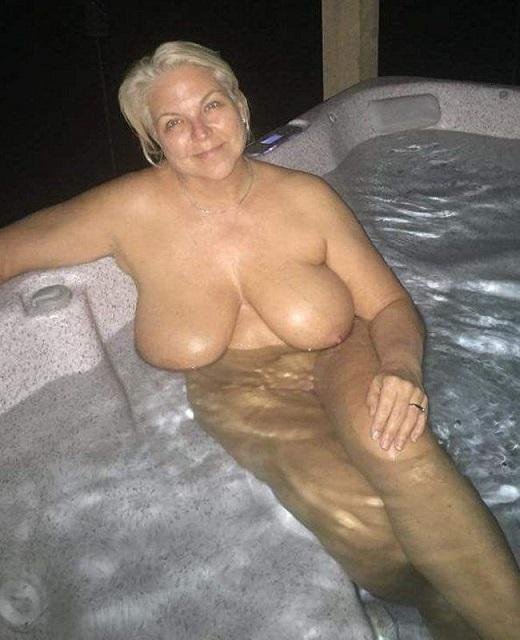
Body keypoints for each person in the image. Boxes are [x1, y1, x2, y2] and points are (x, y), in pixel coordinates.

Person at [1, 41, 519, 640]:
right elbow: (11, 249)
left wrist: (401, 368)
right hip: (241, 388)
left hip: (340, 351)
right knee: (372, 533)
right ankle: (445, 610)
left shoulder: (305, 197)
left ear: (241, 106)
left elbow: (387, 305)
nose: (200, 131)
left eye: (211, 105)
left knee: (400, 447)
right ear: (153, 141)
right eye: (174, 122)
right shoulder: (125, 212)